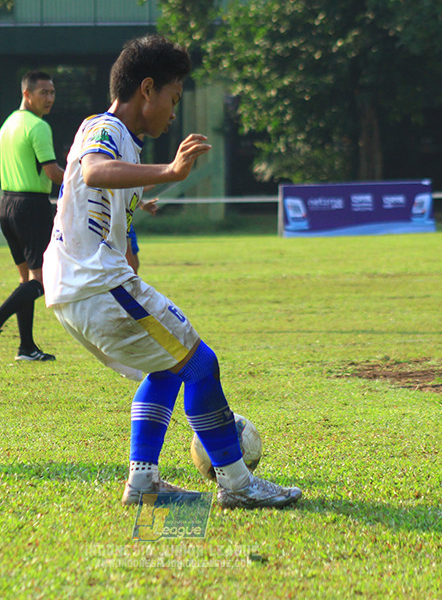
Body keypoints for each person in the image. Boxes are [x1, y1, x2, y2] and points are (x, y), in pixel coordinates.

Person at [42, 34, 302, 510]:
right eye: (173, 98)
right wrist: (171, 171)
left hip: (72, 288)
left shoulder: (108, 134)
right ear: (147, 89)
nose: (173, 112)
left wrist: (146, 196)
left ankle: (143, 484)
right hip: (97, 284)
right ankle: (238, 484)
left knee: (166, 368)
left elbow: (101, 187)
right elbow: (95, 173)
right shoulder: (107, 129)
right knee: (201, 363)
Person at [0, 71, 63, 362]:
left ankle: (26, 348)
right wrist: (86, 181)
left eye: (52, 92)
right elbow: (52, 173)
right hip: (31, 207)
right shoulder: (38, 127)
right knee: (42, 281)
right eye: (43, 92)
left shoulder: (8, 124)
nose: (49, 98)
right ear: (27, 94)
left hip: (6, 207)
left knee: (26, 280)